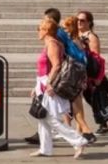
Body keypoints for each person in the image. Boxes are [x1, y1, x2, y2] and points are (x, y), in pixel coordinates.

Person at [32, 17, 88, 159]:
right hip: (44, 82)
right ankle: (45, 149)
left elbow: (56, 65)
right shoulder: (50, 43)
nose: (37, 32)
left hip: (50, 82)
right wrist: (37, 86)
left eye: (39, 29)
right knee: (42, 117)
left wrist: (49, 84)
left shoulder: (52, 44)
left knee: (50, 119)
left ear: (45, 31)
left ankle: (79, 141)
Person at [76, 11, 108, 135]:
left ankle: (103, 123)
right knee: (86, 99)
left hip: (90, 75)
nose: (79, 22)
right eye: (78, 20)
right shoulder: (77, 35)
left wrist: (98, 77)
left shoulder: (91, 37)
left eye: (82, 20)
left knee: (93, 99)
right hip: (80, 73)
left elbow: (97, 59)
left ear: (89, 22)